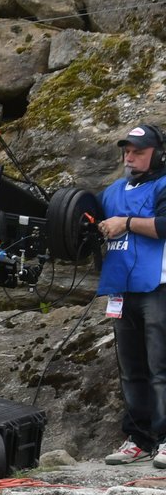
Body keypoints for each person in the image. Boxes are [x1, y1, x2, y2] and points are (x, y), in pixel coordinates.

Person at [98, 122, 166, 467]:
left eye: (138, 152)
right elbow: (83, 220)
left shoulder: (165, 185)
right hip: (123, 289)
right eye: (127, 151)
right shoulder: (112, 192)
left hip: (159, 288)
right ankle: (139, 438)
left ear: (157, 154)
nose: (130, 157)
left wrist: (124, 223)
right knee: (132, 370)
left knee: (161, 367)